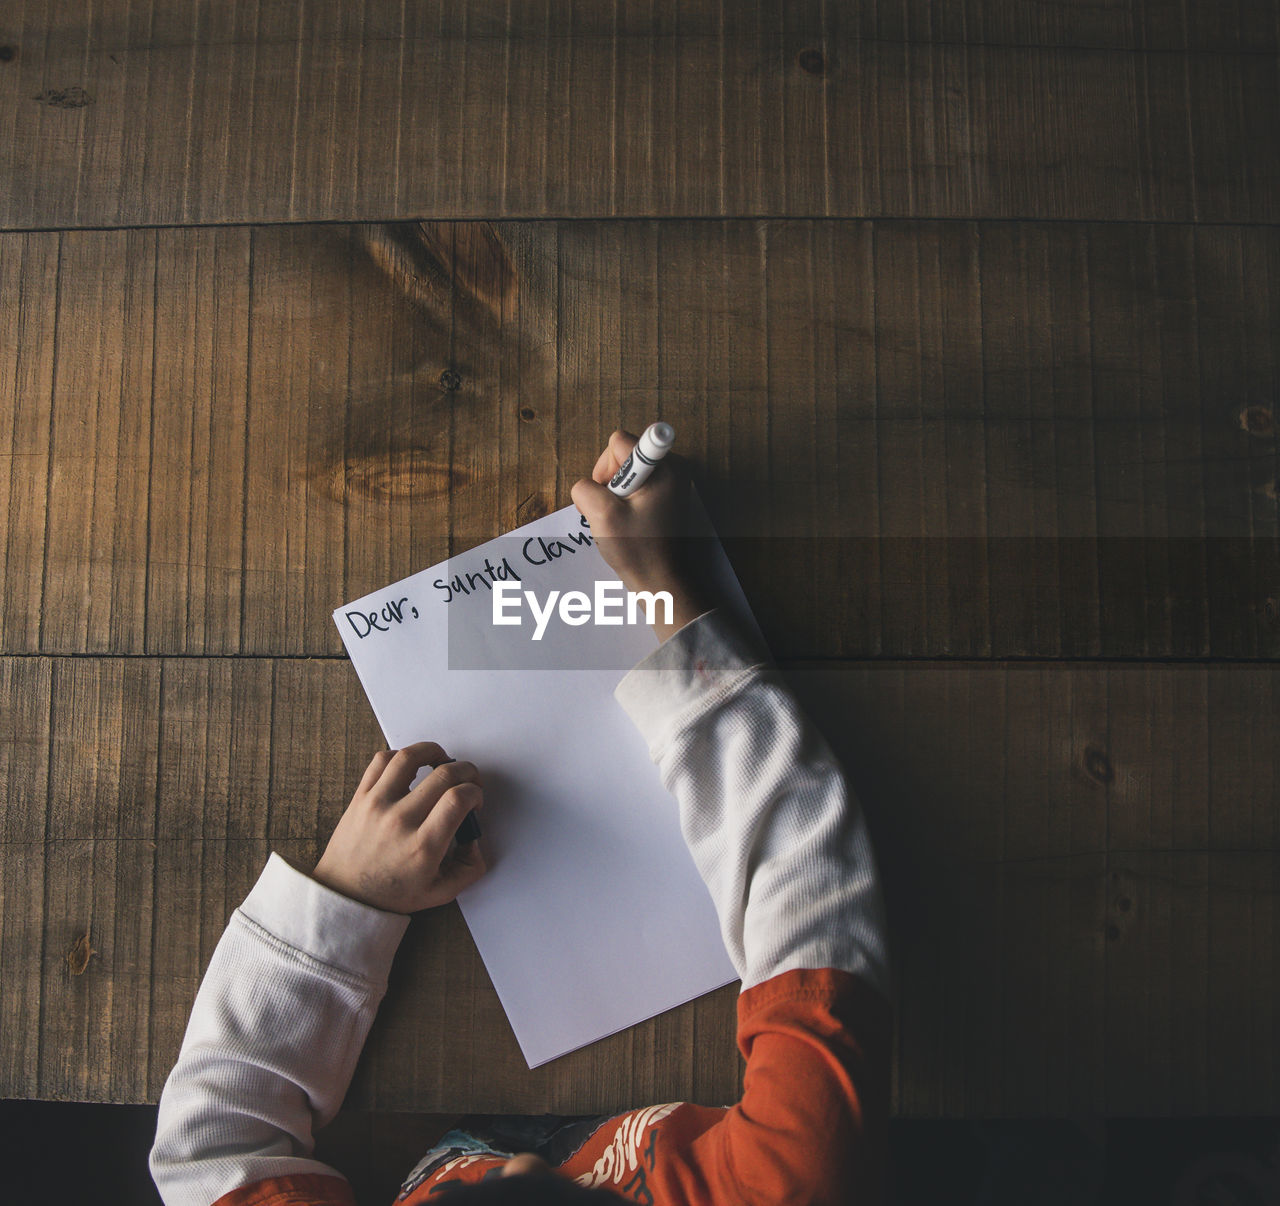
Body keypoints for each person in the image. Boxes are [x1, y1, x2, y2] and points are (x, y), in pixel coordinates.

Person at [150, 431, 893, 1206]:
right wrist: (672, 596)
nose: (521, 1169)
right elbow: (809, 891)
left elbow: (212, 1144)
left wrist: (347, 898)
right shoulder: (797, 1186)